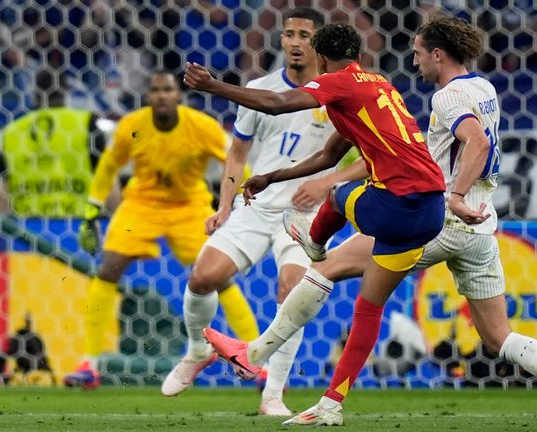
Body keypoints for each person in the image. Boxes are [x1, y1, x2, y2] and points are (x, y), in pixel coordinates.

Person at [202, 15, 537, 426]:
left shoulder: (446, 96)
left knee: (325, 268)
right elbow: (350, 149)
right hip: (483, 226)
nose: (415, 61)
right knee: (499, 338)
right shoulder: (483, 87)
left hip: (439, 215)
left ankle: (258, 355)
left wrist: (457, 195)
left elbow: (477, 142)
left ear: (439, 55)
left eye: (420, 53)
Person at [184, 20, 447, 420]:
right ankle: (329, 405)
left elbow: (275, 103)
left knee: (338, 196)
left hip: (399, 203)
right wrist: (271, 176)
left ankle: (314, 244)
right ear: (357, 54)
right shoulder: (375, 85)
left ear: (321, 58)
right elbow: (327, 156)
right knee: (367, 308)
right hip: (431, 211)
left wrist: (213, 87)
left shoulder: (340, 83)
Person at [161, 7, 366, 416]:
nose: (294, 42)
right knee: (203, 278)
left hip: (306, 215)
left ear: (318, 42)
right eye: (288, 33)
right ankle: (197, 350)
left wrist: (326, 183)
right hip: (256, 205)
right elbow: (236, 156)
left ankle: (273, 394)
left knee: (292, 292)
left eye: (304, 35)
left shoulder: (339, 93)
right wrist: (223, 207)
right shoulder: (260, 89)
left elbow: (367, 157)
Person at [62, 70, 259, 388]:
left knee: (217, 276)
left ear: (178, 96)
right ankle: (90, 364)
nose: (162, 95)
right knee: (108, 268)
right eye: (155, 90)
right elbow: (109, 166)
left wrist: (240, 200)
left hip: (189, 204)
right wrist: (91, 211)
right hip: (143, 202)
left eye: (168, 90)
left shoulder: (200, 126)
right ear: (148, 96)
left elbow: (237, 160)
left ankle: (256, 358)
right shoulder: (132, 125)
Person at [0, 69, 106, 217]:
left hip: (27, 230)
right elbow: (108, 181)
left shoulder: (13, 131)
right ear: (66, 91)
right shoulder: (86, 123)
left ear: (35, 93)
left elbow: (1, 195)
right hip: (77, 226)